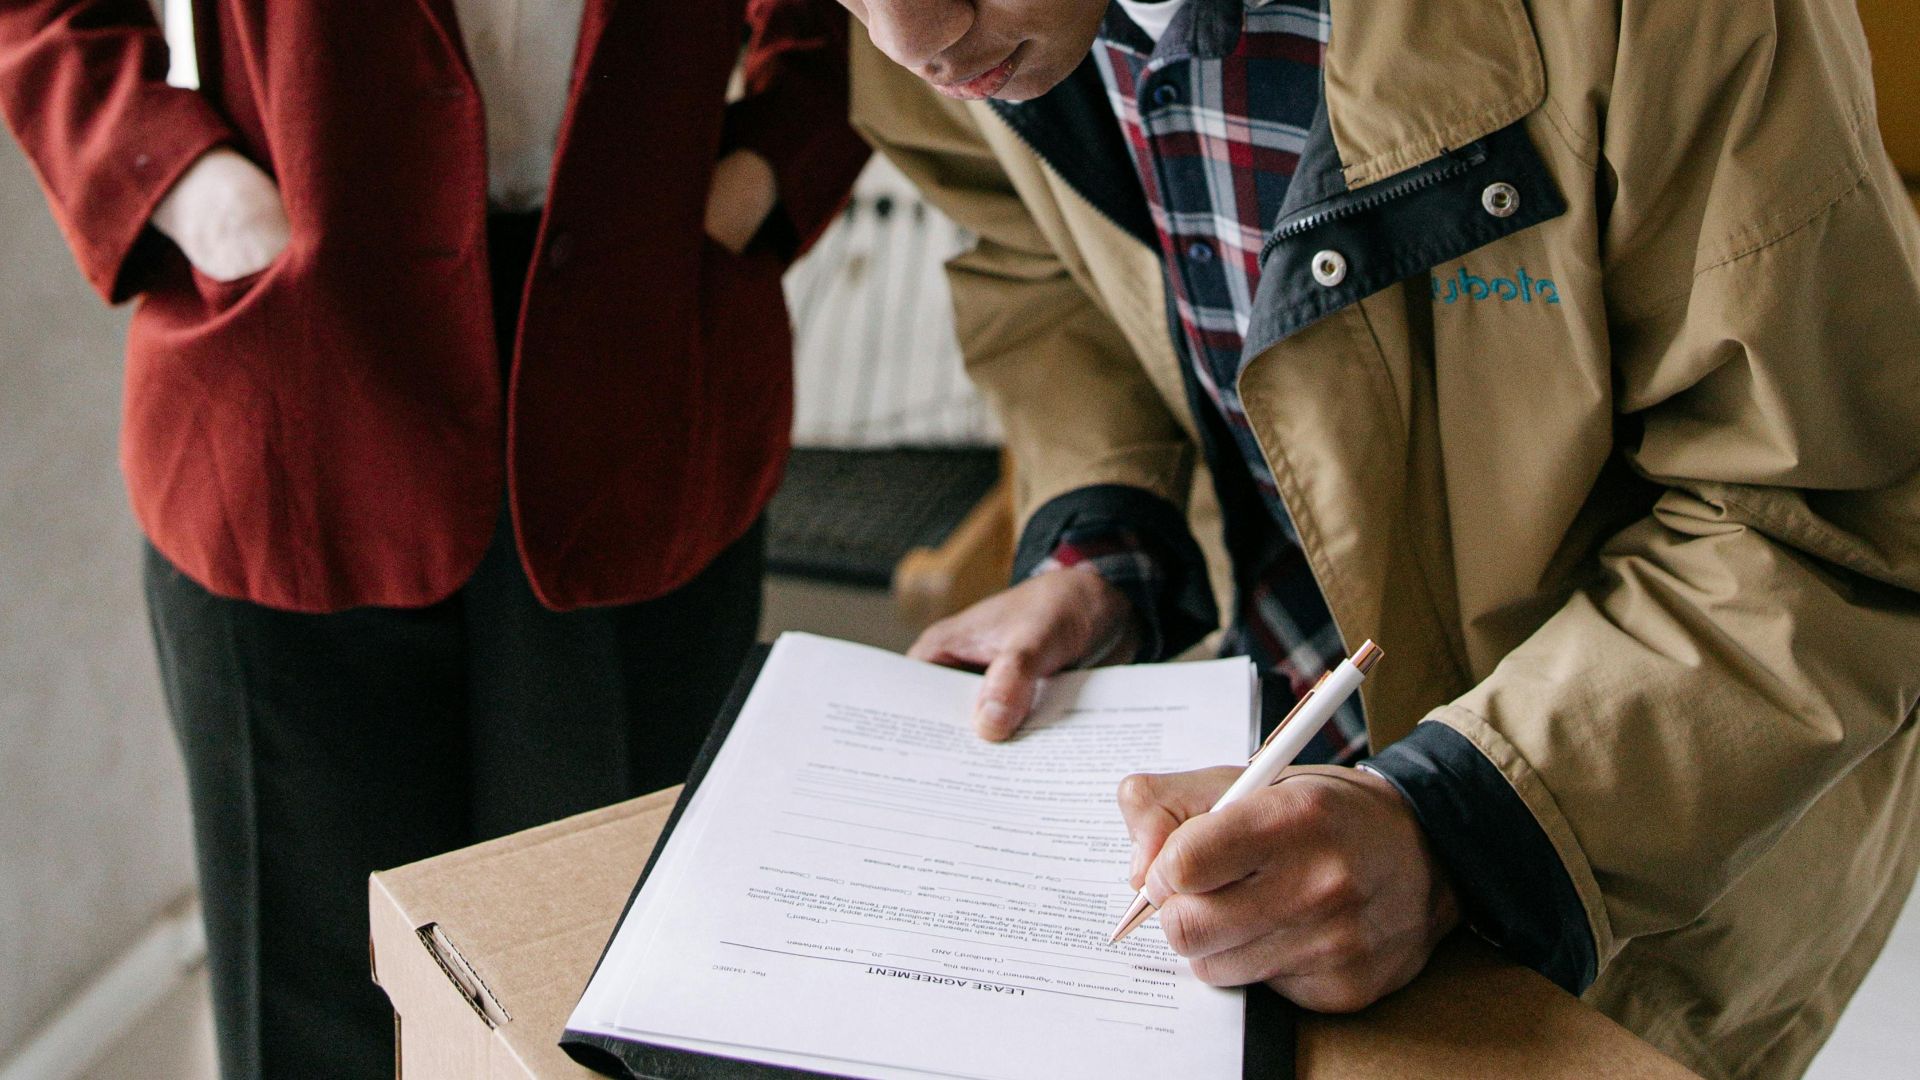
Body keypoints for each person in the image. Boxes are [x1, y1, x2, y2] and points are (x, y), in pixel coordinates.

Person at [838, 0, 1920, 1076]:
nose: (906, 42)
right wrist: (1105, 525)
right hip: (1271, 729)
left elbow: (1825, 522)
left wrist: (1454, 832)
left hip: (1632, 835)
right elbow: (1033, 251)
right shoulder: (962, 35)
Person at [0, 1, 866, 1076]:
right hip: (292, 385)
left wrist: (771, 164)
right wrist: (187, 185)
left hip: (642, 373)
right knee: (316, 1001)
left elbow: (850, 27)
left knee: (598, 990)